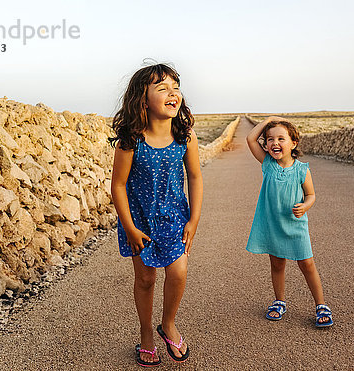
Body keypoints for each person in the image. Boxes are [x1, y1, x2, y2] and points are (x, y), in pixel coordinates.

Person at [110, 62, 203, 366]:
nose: (172, 93)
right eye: (162, 88)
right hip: (140, 221)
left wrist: (194, 218)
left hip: (175, 217)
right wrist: (129, 227)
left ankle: (169, 323)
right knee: (146, 279)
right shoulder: (131, 139)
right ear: (142, 98)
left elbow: (195, 177)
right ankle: (146, 333)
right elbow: (119, 185)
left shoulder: (185, 136)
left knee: (178, 272)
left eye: (175, 87)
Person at [245, 116, 333, 328]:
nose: (275, 143)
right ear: (265, 145)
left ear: (293, 143)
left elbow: (311, 195)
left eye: (281, 138)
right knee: (277, 264)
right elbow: (250, 139)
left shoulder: (302, 170)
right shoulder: (267, 164)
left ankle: (321, 304)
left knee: (307, 264)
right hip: (273, 225)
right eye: (270, 139)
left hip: (295, 226)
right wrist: (270, 119)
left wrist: (305, 206)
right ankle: (279, 301)